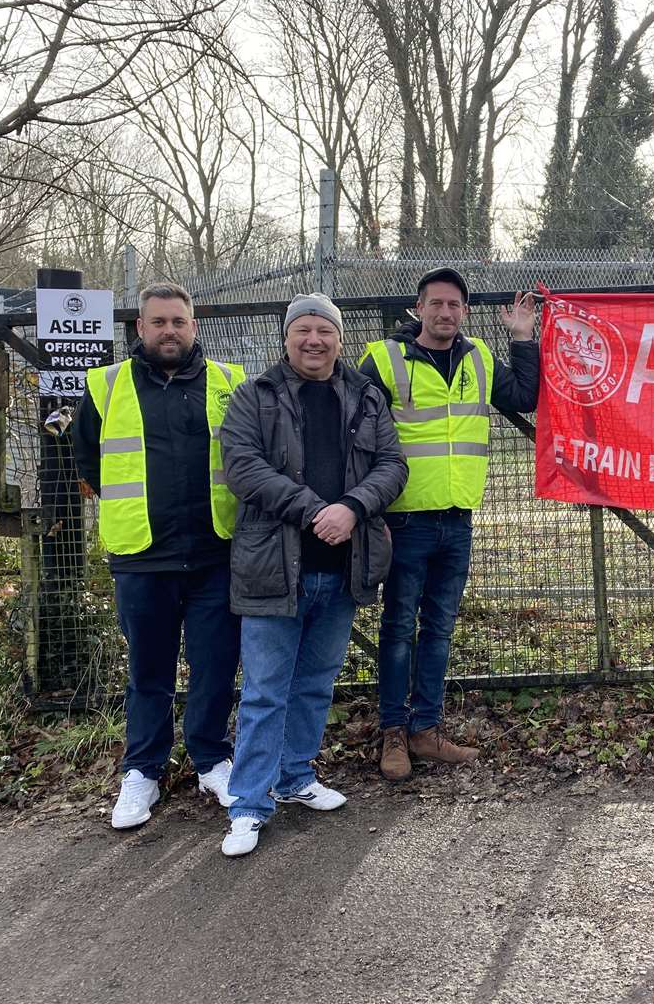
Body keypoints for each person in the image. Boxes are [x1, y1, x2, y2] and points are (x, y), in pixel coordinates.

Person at [217, 293, 407, 857]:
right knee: (264, 692)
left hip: (344, 568)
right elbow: (242, 467)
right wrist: (314, 511)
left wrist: (351, 506)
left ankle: (296, 777)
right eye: (302, 330)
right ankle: (248, 805)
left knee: (315, 684)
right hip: (274, 568)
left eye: (324, 330)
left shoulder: (367, 397)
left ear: (340, 339)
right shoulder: (254, 395)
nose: (313, 340)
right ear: (286, 338)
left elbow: (392, 465)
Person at [72, 282, 245, 830]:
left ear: (194, 326)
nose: (169, 330)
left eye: (179, 321)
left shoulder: (229, 384)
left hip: (216, 553)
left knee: (216, 666)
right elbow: (90, 464)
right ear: (140, 329)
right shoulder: (105, 386)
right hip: (143, 557)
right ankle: (143, 770)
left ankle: (213, 760)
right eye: (158, 322)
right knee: (149, 672)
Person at [358, 267, 538, 781]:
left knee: (438, 629)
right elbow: (358, 438)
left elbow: (525, 397)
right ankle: (393, 731)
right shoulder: (383, 359)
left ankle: (426, 731)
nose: (445, 313)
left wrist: (523, 336)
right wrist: (371, 512)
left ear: (465, 311)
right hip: (403, 520)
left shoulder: (478, 357)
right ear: (419, 308)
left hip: (458, 519)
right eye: (435, 304)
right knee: (397, 630)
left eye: (454, 305)